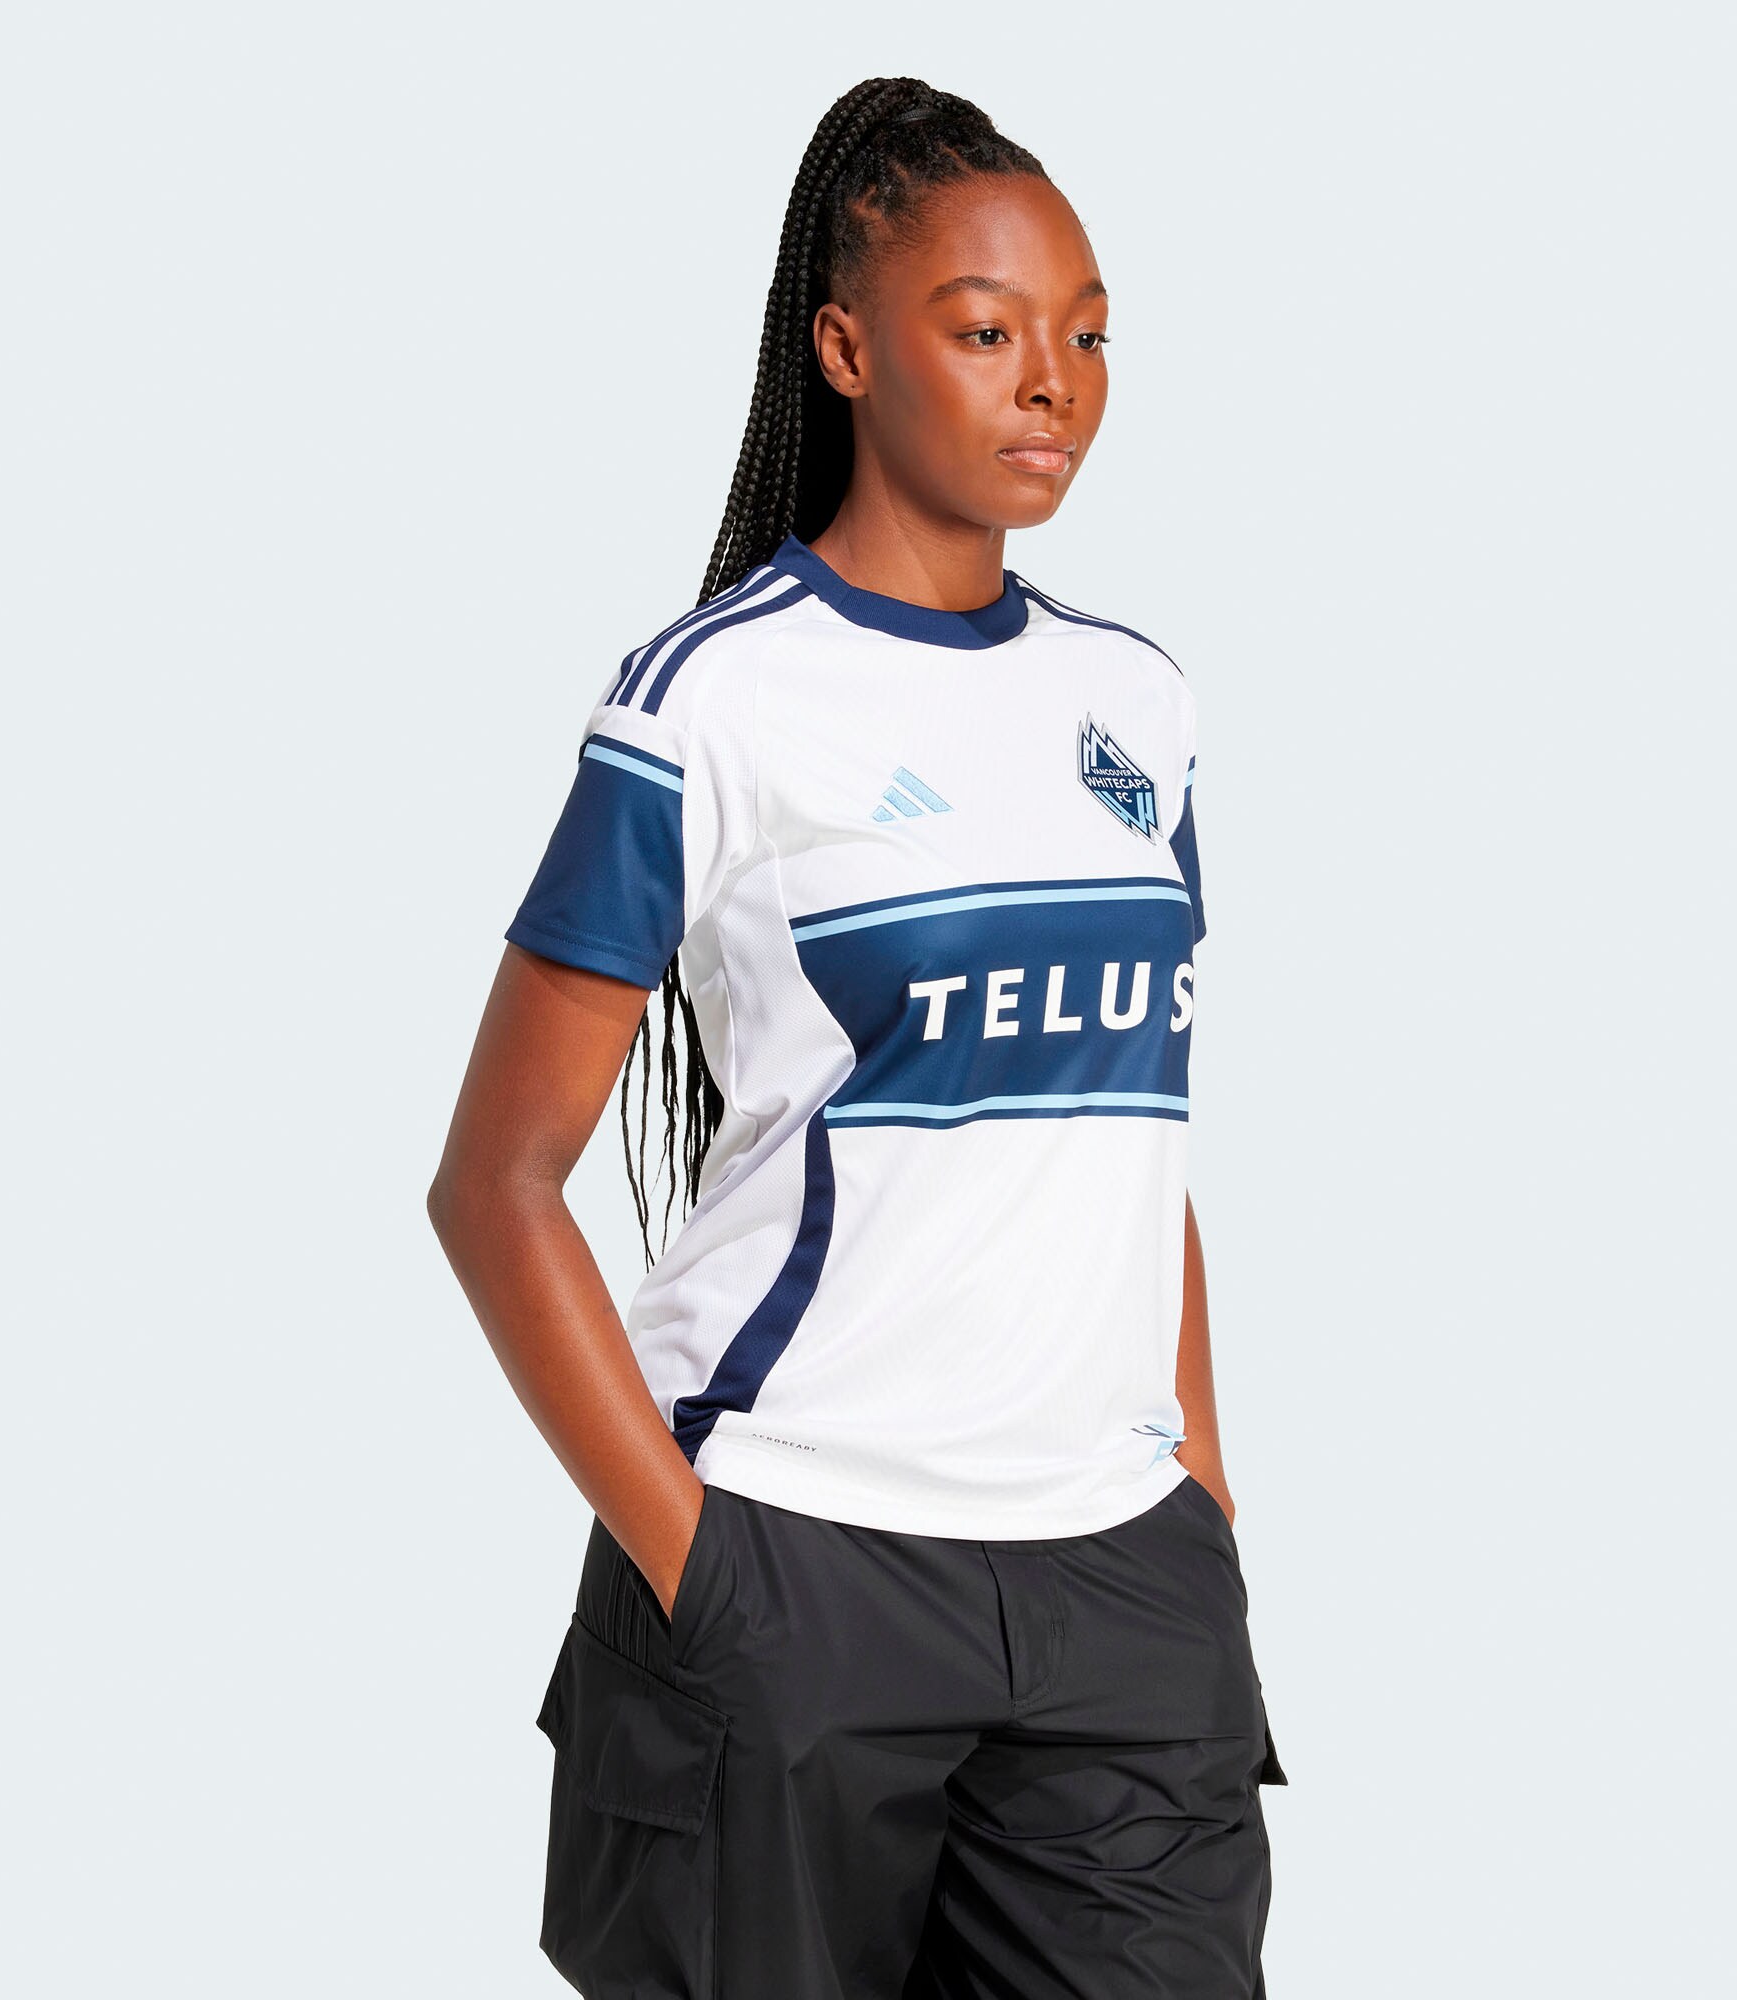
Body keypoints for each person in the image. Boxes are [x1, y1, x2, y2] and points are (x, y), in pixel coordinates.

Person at [428, 74, 1287, 1999]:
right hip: (800, 1557)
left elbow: (1124, 1133)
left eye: (1087, 337)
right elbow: (495, 1183)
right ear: (845, 348)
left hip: (1118, 1590)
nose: (1051, 382)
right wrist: (701, 1563)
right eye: (986, 332)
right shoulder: (711, 703)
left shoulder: (1138, 705)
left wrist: (1201, 1503)